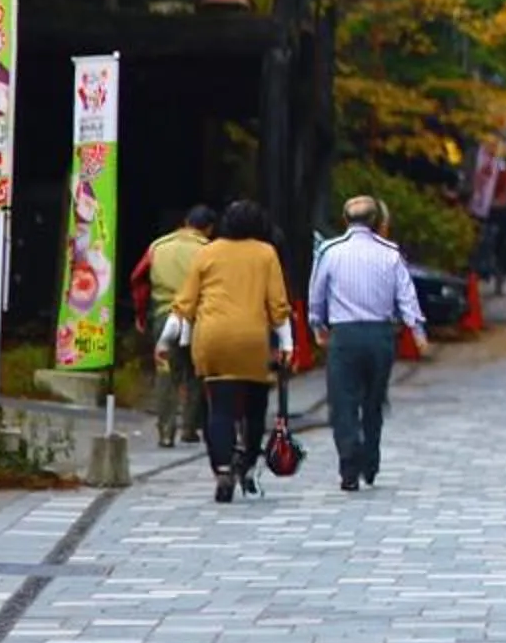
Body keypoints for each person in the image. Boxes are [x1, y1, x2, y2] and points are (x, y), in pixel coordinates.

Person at [165, 201, 291, 504]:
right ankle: (245, 464)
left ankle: (222, 468)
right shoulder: (265, 254)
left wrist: (164, 340)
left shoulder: (206, 253)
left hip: (213, 337)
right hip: (251, 339)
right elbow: (277, 306)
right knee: (255, 406)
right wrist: (287, 344)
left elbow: (185, 302)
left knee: (218, 408)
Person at [306, 195, 430, 493]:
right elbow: (406, 295)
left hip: (344, 336)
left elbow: (317, 293)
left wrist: (317, 325)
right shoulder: (390, 253)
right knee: (373, 400)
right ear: (376, 222)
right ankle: (371, 461)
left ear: (345, 219)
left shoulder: (330, 252)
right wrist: (417, 330)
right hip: (380, 335)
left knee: (342, 401)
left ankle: (349, 462)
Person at [138, 206, 215, 448]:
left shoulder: (157, 246)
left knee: (165, 373)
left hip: (163, 315)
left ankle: (165, 431)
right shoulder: (208, 250)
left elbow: (138, 280)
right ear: (209, 228)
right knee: (195, 372)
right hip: (197, 317)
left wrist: (142, 315)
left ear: (185, 221)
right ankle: (189, 428)